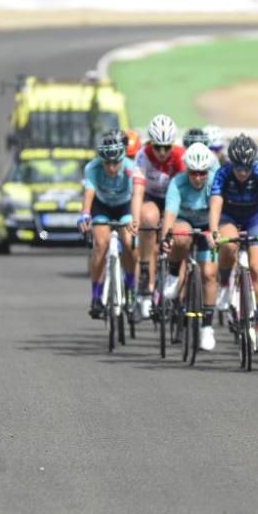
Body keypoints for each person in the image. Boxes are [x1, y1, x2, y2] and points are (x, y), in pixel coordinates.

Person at [207, 134, 258, 351]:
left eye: (246, 168)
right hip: (229, 217)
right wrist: (213, 231)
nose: (242, 173)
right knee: (228, 245)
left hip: (254, 217)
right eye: (238, 168)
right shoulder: (223, 173)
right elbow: (215, 204)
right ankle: (223, 282)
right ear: (231, 163)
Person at [78, 131, 145, 320]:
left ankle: (131, 291)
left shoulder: (132, 168)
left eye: (116, 162)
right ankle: (96, 296)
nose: (111, 167)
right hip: (102, 206)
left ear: (123, 158)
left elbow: (137, 196)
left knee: (130, 242)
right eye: (107, 163)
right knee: (100, 244)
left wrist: (135, 221)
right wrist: (84, 215)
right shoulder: (92, 167)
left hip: (125, 206)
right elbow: (89, 193)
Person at [161, 142, 220, 351]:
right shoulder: (177, 183)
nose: (197, 178)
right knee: (181, 234)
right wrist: (166, 238)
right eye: (193, 173)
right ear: (187, 169)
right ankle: (174, 273)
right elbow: (169, 213)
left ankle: (206, 327)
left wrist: (213, 233)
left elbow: (216, 211)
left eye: (202, 173)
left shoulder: (214, 181)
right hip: (184, 222)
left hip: (207, 224)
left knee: (210, 274)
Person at [134, 114, 185, 318]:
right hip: (152, 197)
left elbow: (185, 191)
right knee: (148, 216)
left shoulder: (181, 156)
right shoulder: (143, 155)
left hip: (175, 201)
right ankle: (146, 272)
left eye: (167, 147)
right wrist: (136, 221)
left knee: (180, 235)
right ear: (150, 143)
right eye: (158, 147)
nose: (162, 152)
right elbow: (138, 192)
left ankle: (180, 289)